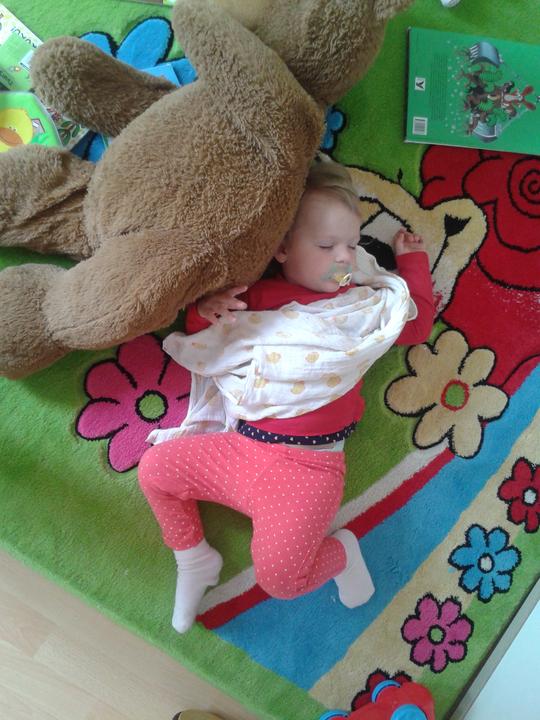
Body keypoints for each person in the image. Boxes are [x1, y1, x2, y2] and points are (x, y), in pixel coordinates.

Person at [138, 160, 434, 633]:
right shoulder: (258, 296)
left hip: (308, 469)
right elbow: (209, 342)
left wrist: (413, 264)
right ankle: (194, 558)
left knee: (281, 580)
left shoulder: (356, 306)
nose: (343, 258)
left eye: (352, 244)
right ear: (282, 248)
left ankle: (343, 553)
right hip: (241, 448)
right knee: (155, 469)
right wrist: (206, 308)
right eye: (326, 246)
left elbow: (412, 323)